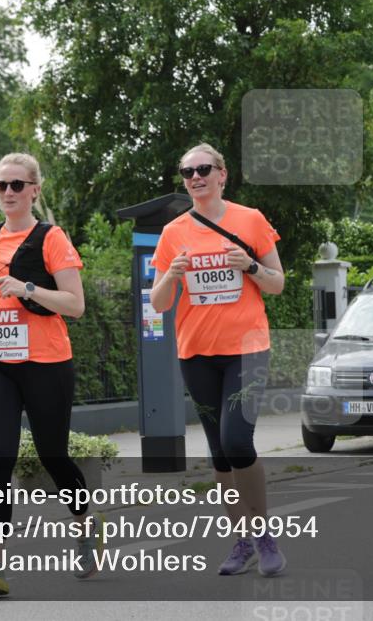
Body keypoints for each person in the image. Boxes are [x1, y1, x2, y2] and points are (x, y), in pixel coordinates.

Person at [0, 153, 103, 596]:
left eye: (18, 185)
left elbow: (75, 304)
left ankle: (86, 524)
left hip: (46, 362)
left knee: (53, 455)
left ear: (35, 189)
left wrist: (29, 288)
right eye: (2, 186)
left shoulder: (51, 238)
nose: (9, 193)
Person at [151, 143, 287, 576]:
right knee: (219, 455)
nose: (196, 177)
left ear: (222, 174)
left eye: (204, 169)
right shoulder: (174, 232)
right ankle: (241, 541)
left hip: (246, 351)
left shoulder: (250, 220)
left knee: (236, 441)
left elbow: (277, 283)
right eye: (187, 171)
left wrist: (249, 265)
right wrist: (171, 274)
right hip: (195, 352)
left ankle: (264, 536)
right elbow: (157, 302)